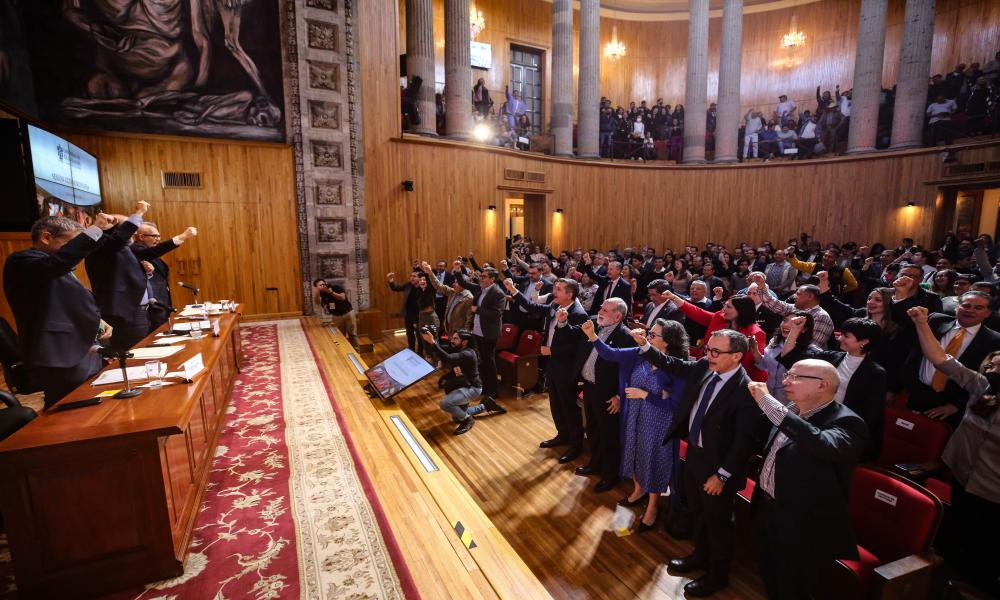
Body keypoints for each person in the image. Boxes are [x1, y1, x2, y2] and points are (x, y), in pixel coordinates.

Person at [636, 329, 764, 597]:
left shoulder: (746, 391)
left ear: (737, 356)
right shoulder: (706, 367)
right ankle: (699, 556)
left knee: (718, 524)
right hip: (695, 455)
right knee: (698, 512)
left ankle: (717, 577)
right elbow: (674, 364)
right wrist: (646, 346)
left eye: (716, 352)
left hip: (719, 467)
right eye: (708, 349)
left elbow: (744, 443)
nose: (708, 355)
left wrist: (722, 475)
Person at [747, 360, 868, 600]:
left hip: (802, 524)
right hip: (767, 509)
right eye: (787, 375)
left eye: (795, 377)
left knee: (794, 586)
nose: (785, 381)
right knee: (769, 574)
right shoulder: (791, 408)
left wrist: (768, 403)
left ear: (822, 385)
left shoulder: (847, 422)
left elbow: (820, 443)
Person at [908, 306, 1000, 596]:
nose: (993, 367)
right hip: (960, 473)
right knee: (958, 536)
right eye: (993, 362)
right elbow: (941, 359)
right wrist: (922, 323)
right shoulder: (982, 387)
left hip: (993, 491)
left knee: (985, 547)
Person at [582, 317, 685, 533]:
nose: (648, 336)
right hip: (635, 415)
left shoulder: (677, 366)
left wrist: (645, 395)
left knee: (653, 459)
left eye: (653, 335)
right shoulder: (640, 353)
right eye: (650, 332)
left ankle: (653, 507)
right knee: (636, 452)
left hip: (658, 421)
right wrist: (592, 336)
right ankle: (639, 490)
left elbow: (675, 406)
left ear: (667, 342)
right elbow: (611, 354)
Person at [4, 214, 116, 408]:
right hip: (59, 353)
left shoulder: (52, 266)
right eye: (72, 242)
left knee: (93, 401)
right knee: (69, 409)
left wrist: (97, 321)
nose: (76, 252)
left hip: (81, 348)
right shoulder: (22, 262)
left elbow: (66, 301)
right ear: (46, 237)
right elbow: (55, 266)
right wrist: (95, 229)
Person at [779, 316, 887, 462]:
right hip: (816, 420)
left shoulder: (875, 373)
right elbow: (790, 358)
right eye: (841, 334)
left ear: (864, 341)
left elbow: (871, 413)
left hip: (842, 430)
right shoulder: (831, 357)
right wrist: (795, 331)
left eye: (846, 336)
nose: (839, 338)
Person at [505, 276, 589, 461]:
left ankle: (575, 445)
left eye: (558, 289)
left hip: (566, 367)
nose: (554, 292)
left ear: (570, 294)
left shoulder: (579, 314)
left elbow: (578, 347)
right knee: (556, 403)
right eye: (555, 288)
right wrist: (513, 290)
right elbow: (533, 307)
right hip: (552, 363)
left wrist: (552, 350)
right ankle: (562, 435)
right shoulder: (556, 305)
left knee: (569, 407)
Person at [901, 291, 1000, 425]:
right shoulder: (934, 320)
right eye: (966, 305)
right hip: (913, 393)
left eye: (978, 308)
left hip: (950, 406)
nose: (970, 310)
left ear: (988, 313)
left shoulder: (995, 341)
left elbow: (989, 383)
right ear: (956, 307)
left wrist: (956, 406)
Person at [570, 299, 636, 492]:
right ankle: (595, 463)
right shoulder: (595, 326)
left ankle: (610, 475)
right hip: (590, 388)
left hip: (609, 394)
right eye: (601, 307)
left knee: (608, 436)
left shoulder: (626, 336)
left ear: (618, 316)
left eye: (605, 310)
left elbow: (629, 371)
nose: (600, 311)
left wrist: (619, 396)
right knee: (592, 429)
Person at [85, 200, 159, 350]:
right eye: (131, 229)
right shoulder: (103, 248)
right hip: (125, 314)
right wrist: (139, 213)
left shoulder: (122, 250)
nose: (134, 233)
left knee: (144, 352)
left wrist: (145, 272)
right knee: (135, 355)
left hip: (139, 311)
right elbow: (119, 240)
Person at [662, 289, 768, 381]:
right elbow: (697, 313)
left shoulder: (755, 333)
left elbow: (746, 364)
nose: (724, 309)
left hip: (736, 381)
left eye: (728, 307)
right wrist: (673, 297)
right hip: (709, 371)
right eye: (725, 305)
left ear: (741, 311)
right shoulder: (720, 317)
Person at [456, 266, 508, 411]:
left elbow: (496, 314)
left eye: (484, 276)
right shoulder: (481, 289)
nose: (481, 278)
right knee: (482, 360)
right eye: (481, 276)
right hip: (478, 330)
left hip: (489, 332)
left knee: (489, 361)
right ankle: (484, 387)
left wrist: (477, 310)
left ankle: (493, 391)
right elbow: (465, 284)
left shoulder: (498, 293)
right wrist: (458, 271)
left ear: (492, 279)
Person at [130, 222, 197, 330]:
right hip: (151, 307)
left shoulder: (150, 251)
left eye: (159, 236)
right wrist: (182, 236)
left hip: (160, 305)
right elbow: (154, 252)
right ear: (141, 237)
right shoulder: (135, 249)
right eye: (154, 236)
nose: (158, 239)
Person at [421, 329, 483, 435]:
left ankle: (468, 420)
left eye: (456, 338)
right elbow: (440, 350)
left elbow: (448, 358)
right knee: (457, 416)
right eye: (452, 338)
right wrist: (431, 341)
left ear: (464, 342)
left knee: (445, 404)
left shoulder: (468, 353)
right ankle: (485, 406)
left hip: (472, 388)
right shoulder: (458, 348)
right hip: (464, 385)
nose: (452, 341)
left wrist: (433, 342)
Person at [750, 311, 816, 406]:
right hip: (768, 395)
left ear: (804, 329)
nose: (786, 325)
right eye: (785, 320)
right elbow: (764, 366)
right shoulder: (775, 341)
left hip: (790, 403)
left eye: (794, 323)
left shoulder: (810, 352)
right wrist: (755, 351)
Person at [422, 261, 473, 337]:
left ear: (464, 284)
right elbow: (438, 286)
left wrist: (464, 336)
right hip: (450, 329)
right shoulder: (453, 292)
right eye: (454, 281)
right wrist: (430, 273)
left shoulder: (469, 298)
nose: (453, 284)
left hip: (459, 334)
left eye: (457, 282)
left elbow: (469, 320)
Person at [313, 278, 359, 347]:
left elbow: (342, 298)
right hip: (336, 316)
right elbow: (317, 302)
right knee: (340, 336)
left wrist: (331, 292)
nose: (323, 286)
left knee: (352, 335)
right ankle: (344, 354)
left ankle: (357, 353)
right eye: (320, 285)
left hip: (348, 313)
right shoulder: (321, 294)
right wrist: (318, 291)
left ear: (326, 283)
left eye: (323, 284)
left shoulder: (336, 287)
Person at [388, 270, 421, 352]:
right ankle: (412, 349)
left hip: (420, 315)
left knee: (419, 334)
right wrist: (391, 281)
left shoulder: (423, 286)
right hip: (409, 314)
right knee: (409, 333)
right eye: (411, 276)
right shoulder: (408, 285)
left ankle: (421, 352)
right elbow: (395, 288)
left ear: (420, 278)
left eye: (414, 276)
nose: (412, 278)